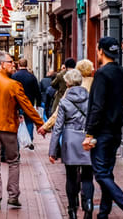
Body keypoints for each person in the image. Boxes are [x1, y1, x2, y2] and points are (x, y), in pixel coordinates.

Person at [0, 52, 45, 211]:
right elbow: (27, 106)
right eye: (11, 62)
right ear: (2, 64)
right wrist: (40, 124)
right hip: (9, 129)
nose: (14, 65)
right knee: (13, 162)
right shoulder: (13, 85)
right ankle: (13, 196)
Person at [82, 38, 123, 219]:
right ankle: (103, 214)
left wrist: (89, 133)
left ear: (100, 51)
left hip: (102, 131)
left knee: (101, 174)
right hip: (116, 129)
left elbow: (97, 106)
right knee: (107, 173)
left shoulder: (102, 74)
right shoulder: (122, 73)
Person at [48, 69, 94, 219]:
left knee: (71, 176)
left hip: (70, 140)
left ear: (67, 83)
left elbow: (58, 128)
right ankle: (88, 203)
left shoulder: (64, 102)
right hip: (87, 139)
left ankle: (72, 209)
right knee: (87, 176)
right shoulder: (90, 99)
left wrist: (52, 151)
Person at [11, 59, 41, 148]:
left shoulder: (14, 76)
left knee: (17, 121)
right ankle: (30, 140)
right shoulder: (32, 77)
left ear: (19, 65)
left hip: (17, 102)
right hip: (29, 102)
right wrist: (38, 103)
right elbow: (37, 91)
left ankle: (18, 139)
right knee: (29, 121)